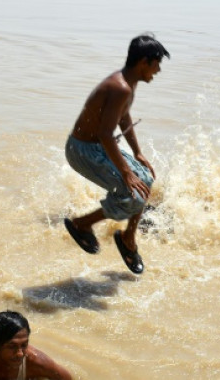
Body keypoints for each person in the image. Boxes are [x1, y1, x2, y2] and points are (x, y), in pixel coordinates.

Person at [63, 34, 169, 274]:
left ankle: (128, 238)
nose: (158, 70)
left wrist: (138, 153)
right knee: (132, 192)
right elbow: (104, 134)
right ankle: (81, 224)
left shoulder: (127, 84)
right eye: (156, 64)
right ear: (143, 62)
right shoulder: (120, 87)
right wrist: (125, 172)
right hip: (83, 150)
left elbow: (123, 117)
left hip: (98, 146)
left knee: (146, 179)